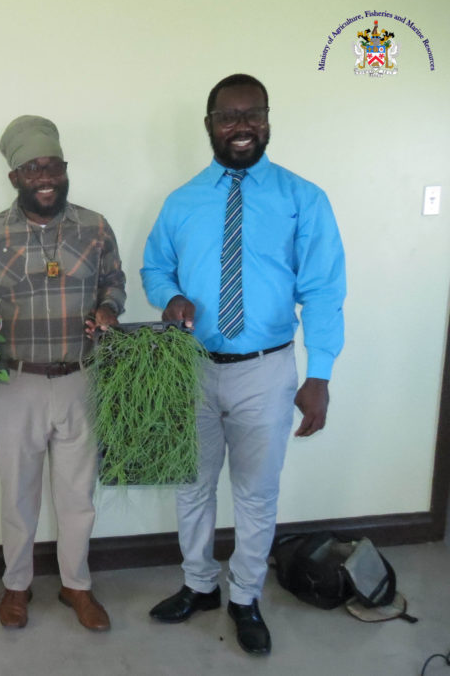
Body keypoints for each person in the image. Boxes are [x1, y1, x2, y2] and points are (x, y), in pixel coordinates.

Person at [142, 74, 346, 656]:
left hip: (266, 369)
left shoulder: (303, 198)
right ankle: (199, 585)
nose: (241, 126)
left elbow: (324, 290)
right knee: (192, 486)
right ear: (209, 125)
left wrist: (320, 373)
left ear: (268, 119)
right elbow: (155, 267)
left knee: (256, 493)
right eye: (228, 116)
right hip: (192, 367)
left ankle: (245, 596)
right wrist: (169, 297)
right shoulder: (181, 201)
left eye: (252, 113)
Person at [0, 116, 126, 631]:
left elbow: (114, 281)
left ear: (65, 169)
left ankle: (76, 585)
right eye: (33, 169)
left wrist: (108, 309)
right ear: (14, 177)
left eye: (53, 166)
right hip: (16, 384)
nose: (46, 178)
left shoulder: (95, 227)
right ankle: (17, 586)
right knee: (18, 494)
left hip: (81, 377)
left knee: (78, 495)